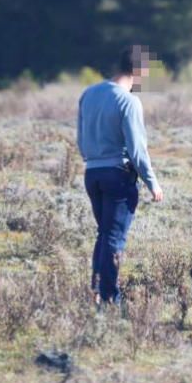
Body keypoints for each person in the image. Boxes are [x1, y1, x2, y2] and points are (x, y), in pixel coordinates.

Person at [78, 45, 164, 304]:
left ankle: (96, 291)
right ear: (138, 71)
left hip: (92, 172)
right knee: (114, 238)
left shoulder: (89, 94)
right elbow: (137, 149)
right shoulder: (128, 100)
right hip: (118, 175)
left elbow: (80, 138)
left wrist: (93, 159)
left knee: (104, 234)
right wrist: (152, 183)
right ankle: (109, 298)